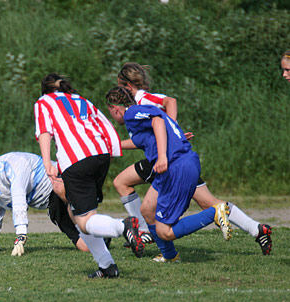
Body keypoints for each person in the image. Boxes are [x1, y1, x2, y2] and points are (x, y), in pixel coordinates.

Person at [113, 62, 273, 256]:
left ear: (128, 86)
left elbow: (170, 101)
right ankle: (257, 229)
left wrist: (175, 132)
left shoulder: (142, 98)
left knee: (122, 182)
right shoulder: (137, 104)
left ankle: (143, 232)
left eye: (120, 86)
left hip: (167, 158)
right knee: (208, 203)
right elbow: (143, 138)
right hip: (169, 156)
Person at [34, 73, 144, 279]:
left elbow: (44, 132)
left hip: (77, 160)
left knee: (84, 220)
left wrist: (48, 163)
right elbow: (106, 126)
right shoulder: (81, 99)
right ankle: (107, 266)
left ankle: (124, 227)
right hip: (101, 154)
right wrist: (108, 155)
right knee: (75, 210)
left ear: (45, 90)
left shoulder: (44, 101)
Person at [106, 86, 232, 262]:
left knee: (164, 232)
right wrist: (110, 147)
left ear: (115, 108)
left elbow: (157, 122)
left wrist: (163, 156)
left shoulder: (131, 113)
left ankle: (215, 211)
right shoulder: (144, 112)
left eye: (109, 111)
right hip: (178, 163)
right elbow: (141, 140)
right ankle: (170, 256)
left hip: (175, 166)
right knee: (147, 210)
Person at [0, 147, 93, 256]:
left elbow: (19, 198)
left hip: (63, 183)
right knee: (85, 247)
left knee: (80, 219)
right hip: (53, 203)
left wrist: (21, 235)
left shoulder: (12, 164)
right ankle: (103, 236)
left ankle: (101, 228)